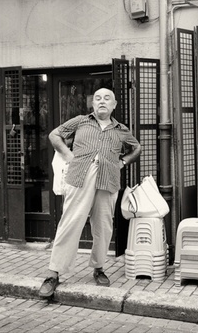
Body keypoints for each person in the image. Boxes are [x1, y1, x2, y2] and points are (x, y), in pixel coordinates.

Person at [38, 88, 142, 298]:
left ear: (114, 105)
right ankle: (54, 272)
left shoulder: (121, 130)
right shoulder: (81, 121)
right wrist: (68, 155)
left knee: (103, 226)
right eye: (97, 98)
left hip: (108, 180)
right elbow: (54, 135)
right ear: (92, 104)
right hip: (79, 178)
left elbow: (137, 148)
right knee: (70, 222)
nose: (102, 101)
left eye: (107, 99)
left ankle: (98, 268)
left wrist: (123, 162)